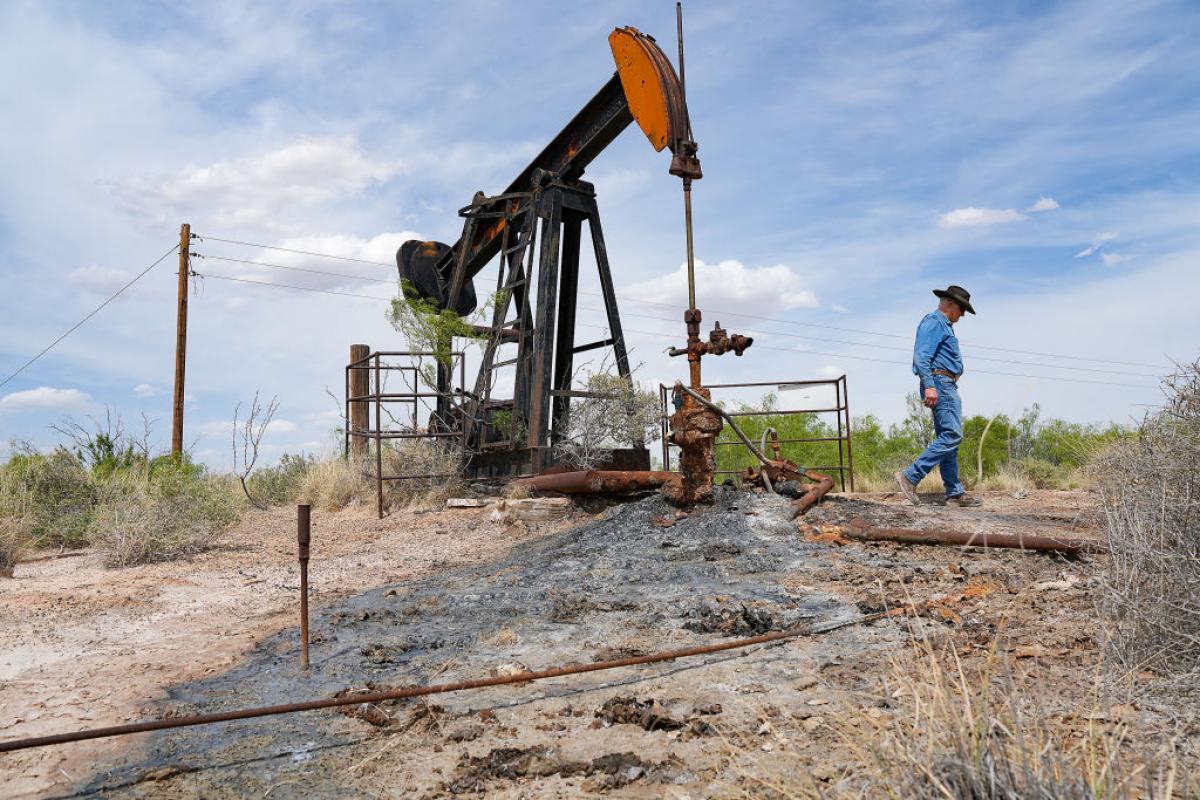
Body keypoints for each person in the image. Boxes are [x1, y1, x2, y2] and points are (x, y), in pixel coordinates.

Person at [894, 285, 981, 507]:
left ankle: (954, 493)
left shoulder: (944, 325)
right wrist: (930, 385)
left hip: (946, 383)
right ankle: (910, 476)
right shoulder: (934, 322)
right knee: (952, 435)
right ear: (951, 303)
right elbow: (921, 356)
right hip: (940, 383)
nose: (962, 315)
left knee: (949, 438)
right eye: (962, 310)